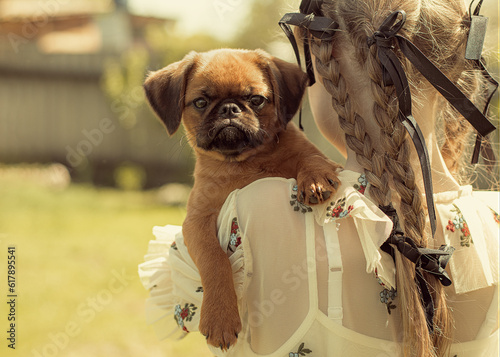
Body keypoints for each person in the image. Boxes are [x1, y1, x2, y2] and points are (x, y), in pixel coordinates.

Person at [139, 0, 499, 356]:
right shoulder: (493, 222)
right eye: (204, 104)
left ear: (326, 72)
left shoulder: (248, 215)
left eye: (255, 101)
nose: (231, 114)